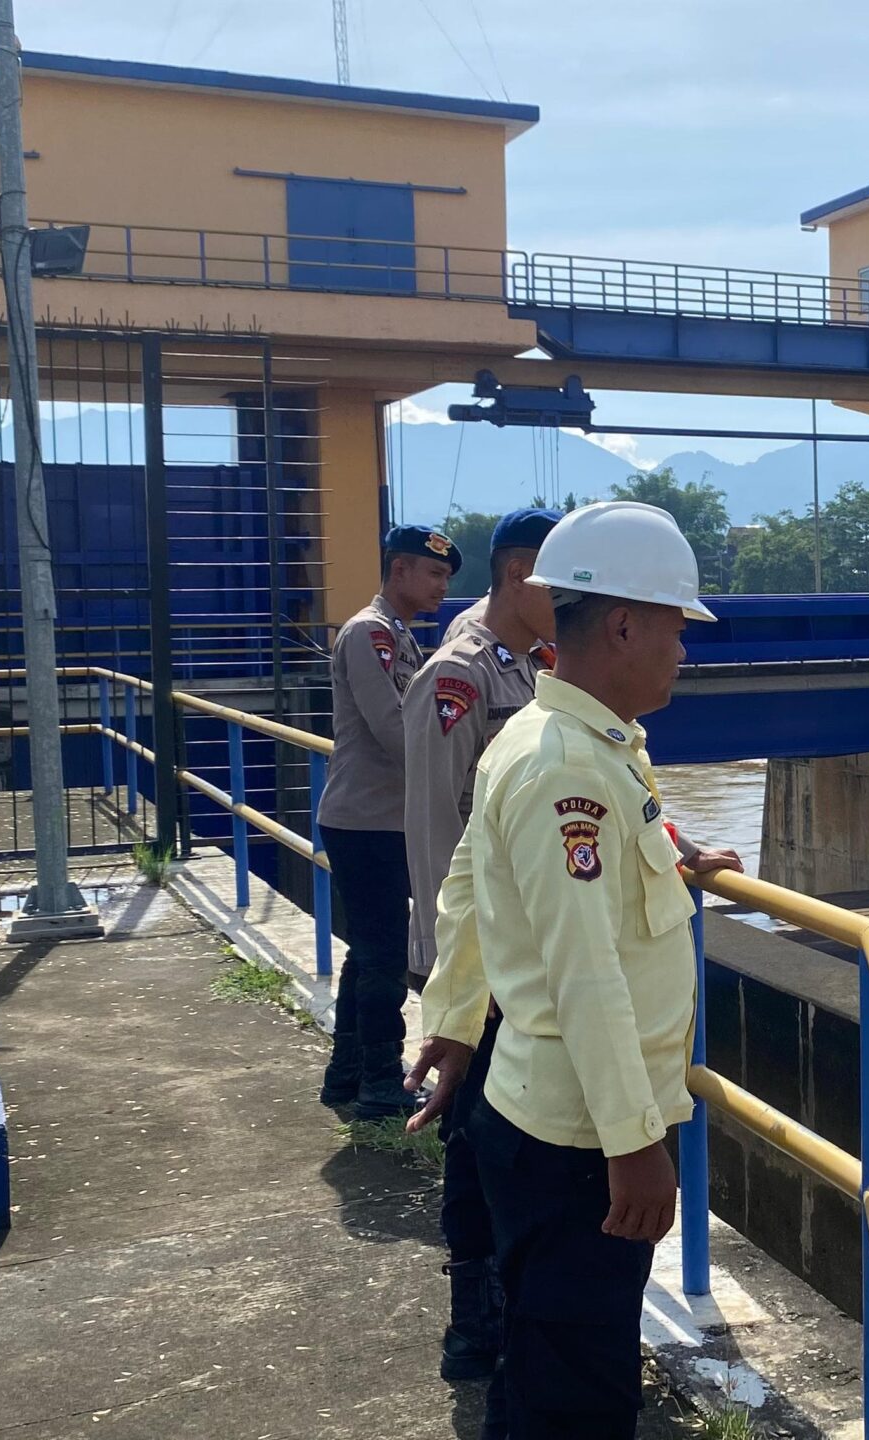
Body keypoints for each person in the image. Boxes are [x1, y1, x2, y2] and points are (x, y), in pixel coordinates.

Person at [407, 500, 738, 1438]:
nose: (684, 649)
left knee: (542, 1358)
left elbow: (473, 891)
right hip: (579, 1143)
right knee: (580, 1392)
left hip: (539, 1113)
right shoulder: (570, 767)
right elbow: (584, 968)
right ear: (625, 624)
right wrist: (634, 1146)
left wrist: (456, 1023)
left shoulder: (572, 742)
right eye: (677, 627)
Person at [398, 507, 559, 1384]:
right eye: (559, 581)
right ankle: (473, 1322)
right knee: (475, 1142)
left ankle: (513, 1300)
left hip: (522, 957)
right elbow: (433, 834)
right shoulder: (458, 676)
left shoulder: (529, 671)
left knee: (515, 1139)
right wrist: (445, 972)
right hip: (477, 963)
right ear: (520, 571)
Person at [316, 524, 456, 1120]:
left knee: (367, 951)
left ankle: (347, 1075)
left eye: (447, 578)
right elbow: (396, 728)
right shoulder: (371, 634)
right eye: (433, 574)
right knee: (383, 953)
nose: (442, 588)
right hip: (366, 819)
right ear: (398, 570)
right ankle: (379, 1081)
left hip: (380, 818)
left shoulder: (398, 636)